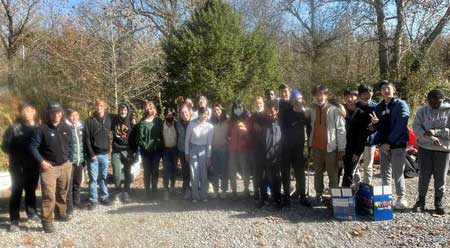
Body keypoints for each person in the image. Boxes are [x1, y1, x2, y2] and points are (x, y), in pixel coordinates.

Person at [30, 102, 72, 233]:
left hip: (65, 165)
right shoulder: (42, 129)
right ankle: (47, 221)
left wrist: (70, 159)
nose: (56, 115)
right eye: (53, 112)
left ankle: (61, 213)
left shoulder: (66, 127)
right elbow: (32, 147)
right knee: (49, 195)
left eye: (59, 112)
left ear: (62, 113)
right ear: (49, 113)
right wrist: (41, 161)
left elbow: (71, 144)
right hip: (49, 168)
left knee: (62, 192)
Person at [370, 80, 410, 209]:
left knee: (398, 172)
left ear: (394, 90)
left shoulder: (401, 105)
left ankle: (401, 198)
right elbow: (379, 126)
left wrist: (389, 142)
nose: (386, 91)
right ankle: (386, 198)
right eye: (383, 89)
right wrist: (375, 125)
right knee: (385, 172)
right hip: (382, 145)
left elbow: (401, 125)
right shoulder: (379, 106)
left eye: (388, 88)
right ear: (380, 91)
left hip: (397, 144)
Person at [2, 103, 39, 232]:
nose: (26, 113)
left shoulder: (38, 127)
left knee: (31, 190)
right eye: (23, 111)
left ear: (33, 111)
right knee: (16, 192)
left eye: (28, 110)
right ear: (20, 113)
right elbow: (5, 147)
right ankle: (14, 220)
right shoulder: (13, 128)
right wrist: (17, 151)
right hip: (17, 166)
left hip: (34, 165)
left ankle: (31, 212)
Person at [412, 89, 450, 215]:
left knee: (440, 177)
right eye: (431, 102)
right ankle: (421, 201)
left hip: (443, 149)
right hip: (425, 147)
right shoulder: (423, 110)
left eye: (437, 103)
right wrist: (427, 137)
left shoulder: (448, 111)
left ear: (442, 100)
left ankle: (438, 201)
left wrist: (437, 132)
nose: (433, 105)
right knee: (424, 175)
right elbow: (416, 127)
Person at [309, 85, 346, 205]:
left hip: (331, 148)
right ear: (314, 97)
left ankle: (334, 197)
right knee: (317, 173)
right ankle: (319, 194)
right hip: (316, 147)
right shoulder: (312, 110)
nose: (319, 97)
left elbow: (341, 130)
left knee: (333, 174)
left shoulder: (335, 110)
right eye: (317, 95)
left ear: (326, 95)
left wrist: (341, 149)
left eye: (322, 94)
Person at [280, 91, 311, 206]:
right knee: (286, 172)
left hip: (299, 147)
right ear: (293, 101)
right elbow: (281, 128)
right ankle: (286, 197)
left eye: (300, 99)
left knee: (300, 173)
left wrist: (310, 145)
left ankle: (302, 196)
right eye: (296, 100)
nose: (299, 102)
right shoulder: (286, 113)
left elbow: (309, 129)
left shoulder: (305, 114)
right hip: (286, 147)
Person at [84, 98, 113, 210]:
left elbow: (123, 119)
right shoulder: (89, 121)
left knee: (103, 177)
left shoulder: (109, 118)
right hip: (94, 155)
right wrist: (91, 154)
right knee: (93, 179)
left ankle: (104, 197)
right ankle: (93, 200)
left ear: (104, 106)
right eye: (97, 105)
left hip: (105, 154)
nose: (99, 107)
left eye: (101, 105)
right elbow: (86, 138)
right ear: (95, 107)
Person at [341, 89, 371, 187]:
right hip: (339, 147)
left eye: (352, 96)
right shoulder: (339, 111)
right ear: (344, 98)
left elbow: (363, 135)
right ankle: (334, 196)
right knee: (336, 172)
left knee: (348, 174)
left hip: (353, 148)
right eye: (347, 96)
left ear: (357, 98)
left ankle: (347, 198)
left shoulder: (362, 114)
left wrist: (358, 152)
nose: (349, 99)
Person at [185, 107, 214, 203]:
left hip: (204, 150)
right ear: (199, 114)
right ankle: (195, 196)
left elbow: (209, 143)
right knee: (194, 173)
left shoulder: (210, 127)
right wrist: (187, 153)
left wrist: (209, 156)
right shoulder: (192, 124)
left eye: (206, 114)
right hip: (193, 149)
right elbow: (187, 140)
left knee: (204, 173)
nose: (205, 116)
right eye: (203, 114)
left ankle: (204, 195)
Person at [136, 101, 163, 200]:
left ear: (154, 110)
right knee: (147, 172)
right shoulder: (142, 122)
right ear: (145, 110)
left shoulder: (159, 121)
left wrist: (157, 145)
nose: (149, 110)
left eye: (151, 108)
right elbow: (139, 138)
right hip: (145, 152)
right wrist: (146, 147)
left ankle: (154, 192)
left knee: (155, 172)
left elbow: (162, 135)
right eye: (147, 108)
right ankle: (147, 193)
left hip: (156, 150)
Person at [111, 102, 135, 203]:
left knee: (127, 173)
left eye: (125, 110)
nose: (123, 111)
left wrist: (134, 151)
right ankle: (117, 191)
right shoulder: (114, 119)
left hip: (127, 150)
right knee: (116, 173)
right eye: (121, 109)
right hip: (116, 150)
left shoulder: (131, 121)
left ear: (128, 111)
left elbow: (134, 137)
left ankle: (126, 192)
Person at [228, 99, 251, 200]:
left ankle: (246, 189)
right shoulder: (231, 119)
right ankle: (234, 191)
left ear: (243, 108)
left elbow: (251, 133)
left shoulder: (247, 118)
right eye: (236, 108)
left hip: (243, 148)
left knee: (245, 169)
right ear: (233, 109)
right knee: (232, 170)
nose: (238, 109)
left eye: (240, 107)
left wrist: (245, 130)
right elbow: (228, 134)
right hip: (233, 149)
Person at [355, 84, 377, 184]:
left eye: (369, 93)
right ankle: (356, 186)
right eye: (364, 94)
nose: (367, 96)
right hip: (355, 141)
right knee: (354, 166)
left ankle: (366, 188)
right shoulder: (354, 106)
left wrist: (375, 126)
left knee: (368, 167)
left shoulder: (376, 107)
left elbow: (381, 124)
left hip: (370, 141)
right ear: (359, 95)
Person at [65, 109, 85, 215]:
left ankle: (77, 202)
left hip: (79, 159)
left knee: (77, 182)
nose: (74, 118)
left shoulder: (81, 127)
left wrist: (84, 159)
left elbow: (84, 143)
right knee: (69, 183)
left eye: (76, 115)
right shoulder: (66, 127)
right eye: (72, 116)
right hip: (70, 160)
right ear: (69, 117)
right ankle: (70, 205)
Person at [263, 101, 283, 208]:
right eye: (268, 112)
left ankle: (278, 197)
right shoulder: (265, 123)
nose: (270, 114)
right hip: (267, 156)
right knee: (270, 178)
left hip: (278, 155)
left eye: (272, 112)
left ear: (277, 111)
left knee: (278, 178)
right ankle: (272, 197)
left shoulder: (281, 123)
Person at [250, 97, 269, 206]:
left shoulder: (267, 115)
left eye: (260, 103)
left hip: (266, 147)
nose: (258, 105)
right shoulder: (252, 117)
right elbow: (249, 132)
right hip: (256, 148)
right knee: (258, 172)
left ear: (263, 104)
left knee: (267, 172)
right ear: (254, 105)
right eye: (256, 103)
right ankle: (259, 193)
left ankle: (266, 193)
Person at [210, 103, 230, 199]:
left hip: (224, 150)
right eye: (214, 110)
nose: (216, 112)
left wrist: (226, 141)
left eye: (218, 110)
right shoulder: (211, 122)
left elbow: (230, 135)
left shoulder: (227, 121)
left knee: (224, 171)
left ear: (221, 110)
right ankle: (215, 190)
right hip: (214, 149)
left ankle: (224, 190)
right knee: (215, 171)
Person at [176, 105, 192, 200]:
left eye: (186, 112)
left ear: (190, 112)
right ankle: (186, 189)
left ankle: (196, 188)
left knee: (194, 170)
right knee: (185, 170)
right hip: (182, 150)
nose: (184, 114)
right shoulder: (177, 124)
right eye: (182, 113)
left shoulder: (194, 122)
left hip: (193, 150)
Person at [162, 108, 178, 201]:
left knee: (174, 170)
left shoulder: (176, 124)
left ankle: (172, 188)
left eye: (172, 115)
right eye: (168, 115)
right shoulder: (161, 125)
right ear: (165, 116)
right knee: (166, 171)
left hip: (175, 150)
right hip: (165, 150)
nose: (170, 116)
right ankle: (165, 190)